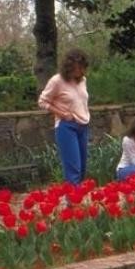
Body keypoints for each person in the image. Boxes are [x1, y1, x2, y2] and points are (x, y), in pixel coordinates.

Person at [38, 49, 91, 187]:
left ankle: (76, 200)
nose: (80, 70)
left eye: (82, 67)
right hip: (66, 127)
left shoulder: (82, 80)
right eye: (76, 67)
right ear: (69, 66)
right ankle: (73, 205)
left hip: (83, 126)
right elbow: (42, 102)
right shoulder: (57, 81)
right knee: (74, 168)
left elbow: (81, 102)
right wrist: (61, 113)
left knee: (83, 168)